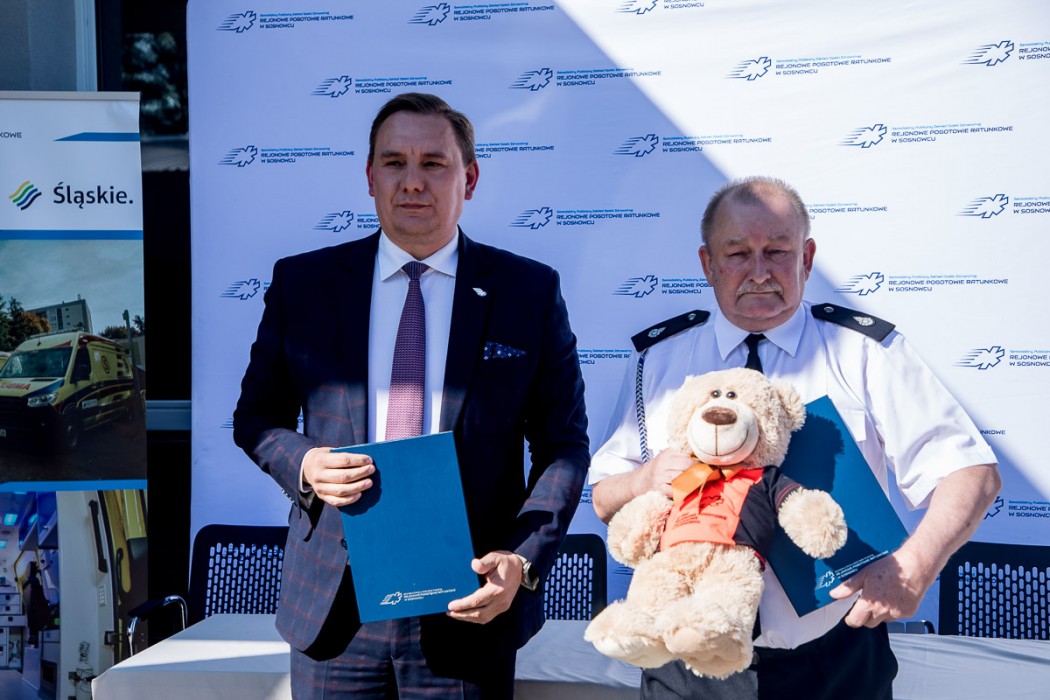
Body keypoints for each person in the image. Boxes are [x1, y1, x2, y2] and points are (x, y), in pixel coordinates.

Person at [233, 92, 589, 698]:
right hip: (335, 610)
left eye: (434, 163)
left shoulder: (527, 292)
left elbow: (563, 446)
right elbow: (257, 417)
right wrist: (306, 463)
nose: (413, 182)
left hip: (469, 602)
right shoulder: (305, 284)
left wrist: (522, 557)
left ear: (469, 179)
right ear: (369, 177)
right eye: (394, 163)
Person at [589, 176, 1001, 700]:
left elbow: (971, 473)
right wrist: (646, 479)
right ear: (707, 264)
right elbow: (604, 496)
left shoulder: (864, 353)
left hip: (833, 662)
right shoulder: (660, 360)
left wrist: (914, 566)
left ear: (806, 258)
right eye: (738, 254)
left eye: (777, 252)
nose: (759, 272)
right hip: (685, 662)